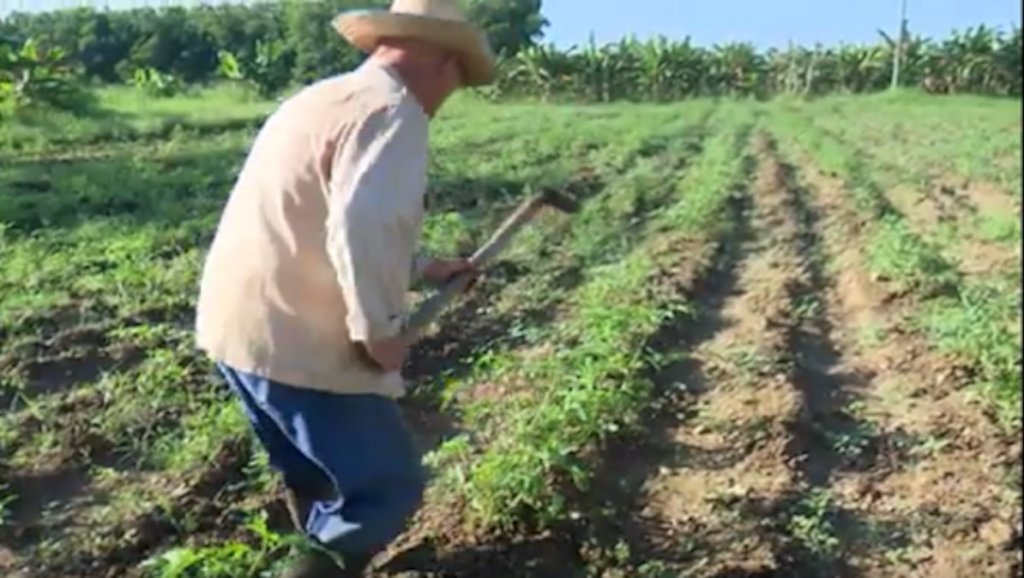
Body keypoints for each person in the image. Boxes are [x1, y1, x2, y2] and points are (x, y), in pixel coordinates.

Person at [193, 1, 496, 576]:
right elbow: (365, 229)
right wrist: (379, 335)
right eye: (459, 76)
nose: (453, 91)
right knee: (388, 487)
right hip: (300, 342)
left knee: (315, 472)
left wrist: (427, 268)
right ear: (440, 59)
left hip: (238, 332)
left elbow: (318, 217)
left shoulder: (321, 97)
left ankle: (318, 553)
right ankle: (320, 566)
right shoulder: (393, 112)